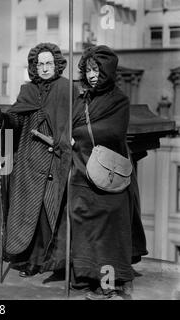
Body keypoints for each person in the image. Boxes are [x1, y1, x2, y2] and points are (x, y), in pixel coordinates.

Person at [0, 43, 73, 278]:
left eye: (49, 63)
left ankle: (54, 263)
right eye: (40, 64)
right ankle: (31, 260)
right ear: (34, 66)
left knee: (51, 213)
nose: (45, 68)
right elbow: (16, 122)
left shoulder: (66, 89)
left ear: (57, 64)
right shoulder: (27, 91)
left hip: (56, 161)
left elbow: (72, 123)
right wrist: (3, 118)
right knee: (30, 213)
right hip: (29, 159)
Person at [71, 45, 147, 299]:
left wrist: (78, 132)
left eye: (97, 70)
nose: (92, 75)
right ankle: (85, 277)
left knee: (108, 234)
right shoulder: (82, 100)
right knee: (85, 229)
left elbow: (113, 134)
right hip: (81, 172)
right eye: (89, 70)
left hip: (108, 175)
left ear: (108, 71)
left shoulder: (119, 100)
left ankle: (107, 285)